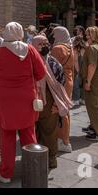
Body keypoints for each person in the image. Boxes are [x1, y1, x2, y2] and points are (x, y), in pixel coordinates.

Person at [0, 22, 46, 183]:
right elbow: (41, 72)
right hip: (27, 96)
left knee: (7, 135)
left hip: (6, 98)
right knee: (28, 132)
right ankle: (34, 168)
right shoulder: (30, 50)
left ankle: (6, 173)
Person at [31, 35, 71, 169]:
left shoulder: (52, 63)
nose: (44, 45)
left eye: (46, 43)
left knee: (49, 133)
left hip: (47, 102)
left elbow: (61, 85)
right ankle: (38, 160)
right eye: (41, 43)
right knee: (35, 132)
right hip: (32, 100)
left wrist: (56, 103)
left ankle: (50, 160)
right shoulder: (28, 61)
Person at [51, 26, 74, 153]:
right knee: (66, 111)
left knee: (60, 111)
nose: (53, 37)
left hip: (60, 82)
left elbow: (52, 68)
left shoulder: (58, 48)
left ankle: (63, 140)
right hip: (69, 80)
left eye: (55, 34)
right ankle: (65, 139)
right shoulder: (70, 47)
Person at [82, 26, 98, 141]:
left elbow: (92, 65)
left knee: (93, 105)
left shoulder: (92, 48)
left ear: (93, 36)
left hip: (94, 79)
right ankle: (94, 126)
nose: (86, 37)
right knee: (96, 103)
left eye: (88, 35)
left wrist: (88, 81)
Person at [72, 36, 86, 106]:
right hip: (84, 68)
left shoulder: (75, 49)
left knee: (76, 85)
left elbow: (75, 61)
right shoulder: (85, 48)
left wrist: (78, 71)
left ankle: (76, 99)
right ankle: (83, 99)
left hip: (78, 69)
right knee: (83, 84)